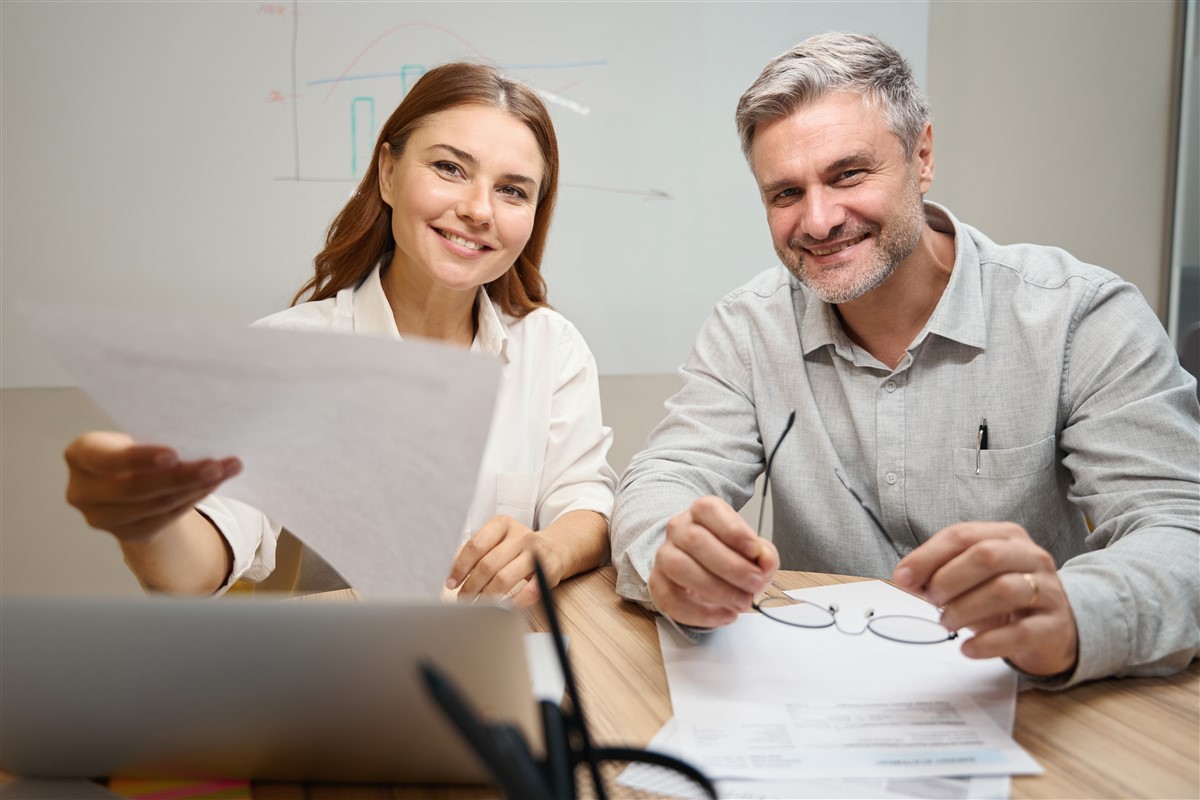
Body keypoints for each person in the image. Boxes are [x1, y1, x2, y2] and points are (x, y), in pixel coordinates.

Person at [611, 32, 1199, 687]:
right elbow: (661, 480)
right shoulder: (748, 327)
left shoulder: (1079, 316)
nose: (819, 219)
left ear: (922, 156)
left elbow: (1182, 530)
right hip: (816, 701)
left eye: (848, 174)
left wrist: (1075, 615)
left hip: (1027, 702)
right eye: (785, 194)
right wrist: (670, 556)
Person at [64, 62, 617, 608]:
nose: (477, 209)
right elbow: (202, 559)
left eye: (513, 191)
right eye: (450, 168)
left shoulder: (552, 346)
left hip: (512, 654)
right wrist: (147, 521)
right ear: (388, 173)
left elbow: (584, 499)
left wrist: (552, 549)